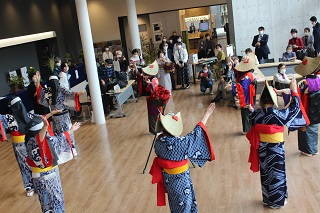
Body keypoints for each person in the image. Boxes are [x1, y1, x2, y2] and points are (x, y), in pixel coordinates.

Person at [246, 78, 302, 209]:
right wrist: (294, 91)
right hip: (275, 149)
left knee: (265, 172)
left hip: (262, 148)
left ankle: (266, 198)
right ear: (273, 100)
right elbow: (295, 109)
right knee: (277, 173)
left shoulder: (256, 115)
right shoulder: (277, 115)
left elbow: (251, 118)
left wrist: (250, 110)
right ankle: (276, 202)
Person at [149, 103, 216, 212]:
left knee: (177, 205)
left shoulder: (158, 143)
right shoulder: (179, 144)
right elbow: (196, 133)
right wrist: (207, 114)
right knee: (185, 206)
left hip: (169, 181)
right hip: (180, 181)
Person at [25, 114, 80, 213]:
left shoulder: (28, 142)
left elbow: (58, 137)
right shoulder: (46, 140)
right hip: (50, 175)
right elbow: (44, 140)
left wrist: (71, 129)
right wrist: (46, 126)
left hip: (36, 176)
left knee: (45, 203)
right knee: (56, 200)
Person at [39, 76, 84, 157]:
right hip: (59, 116)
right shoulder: (54, 89)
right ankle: (66, 150)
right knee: (63, 132)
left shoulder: (53, 89)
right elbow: (71, 94)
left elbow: (41, 101)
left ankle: (66, 150)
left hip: (59, 115)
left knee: (63, 132)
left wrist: (77, 93)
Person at [0, 97, 34, 197]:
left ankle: (34, 185)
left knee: (31, 164)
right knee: (24, 165)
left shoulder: (27, 115)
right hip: (19, 145)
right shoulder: (9, 118)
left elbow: (40, 118)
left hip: (29, 142)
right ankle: (29, 186)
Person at [295, 56, 320, 156]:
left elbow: (296, 95)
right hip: (317, 109)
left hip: (306, 108)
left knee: (305, 130)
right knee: (314, 129)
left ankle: (307, 150)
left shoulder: (304, 83)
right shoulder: (319, 80)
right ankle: (314, 149)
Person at [235, 54, 257, 134]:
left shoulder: (246, 77)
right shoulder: (250, 74)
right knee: (249, 111)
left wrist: (235, 89)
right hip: (249, 94)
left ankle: (247, 129)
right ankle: (251, 127)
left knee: (245, 113)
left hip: (246, 96)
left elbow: (242, 87)